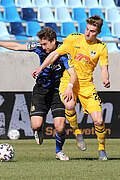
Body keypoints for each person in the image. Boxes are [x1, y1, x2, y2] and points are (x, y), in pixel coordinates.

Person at [0, 27, 85, 160]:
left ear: (53, 41)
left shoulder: (64, 52)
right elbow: (17, 46)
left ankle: (59, 151)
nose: (43, 47)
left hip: (58, 91)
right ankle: (38, 130)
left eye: (45, 44)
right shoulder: (39, 47)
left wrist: (70, 86)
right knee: (36, 124)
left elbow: (73, 73)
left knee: (60, 127)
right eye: (41, 44)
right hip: (41, 89)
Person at [32, 15, 110, 160]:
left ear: (98, 32)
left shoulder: (101, 47)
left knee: (98, 121)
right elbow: (54, 54)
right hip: (68, 81)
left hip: (87, 86)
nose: (87, 33)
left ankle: (101, 149)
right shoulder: (73, 39)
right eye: (87, 29)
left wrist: (105, 78)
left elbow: (104, 68)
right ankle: (77, 132)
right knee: (69, 104)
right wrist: (41, 68)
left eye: (92, 31)